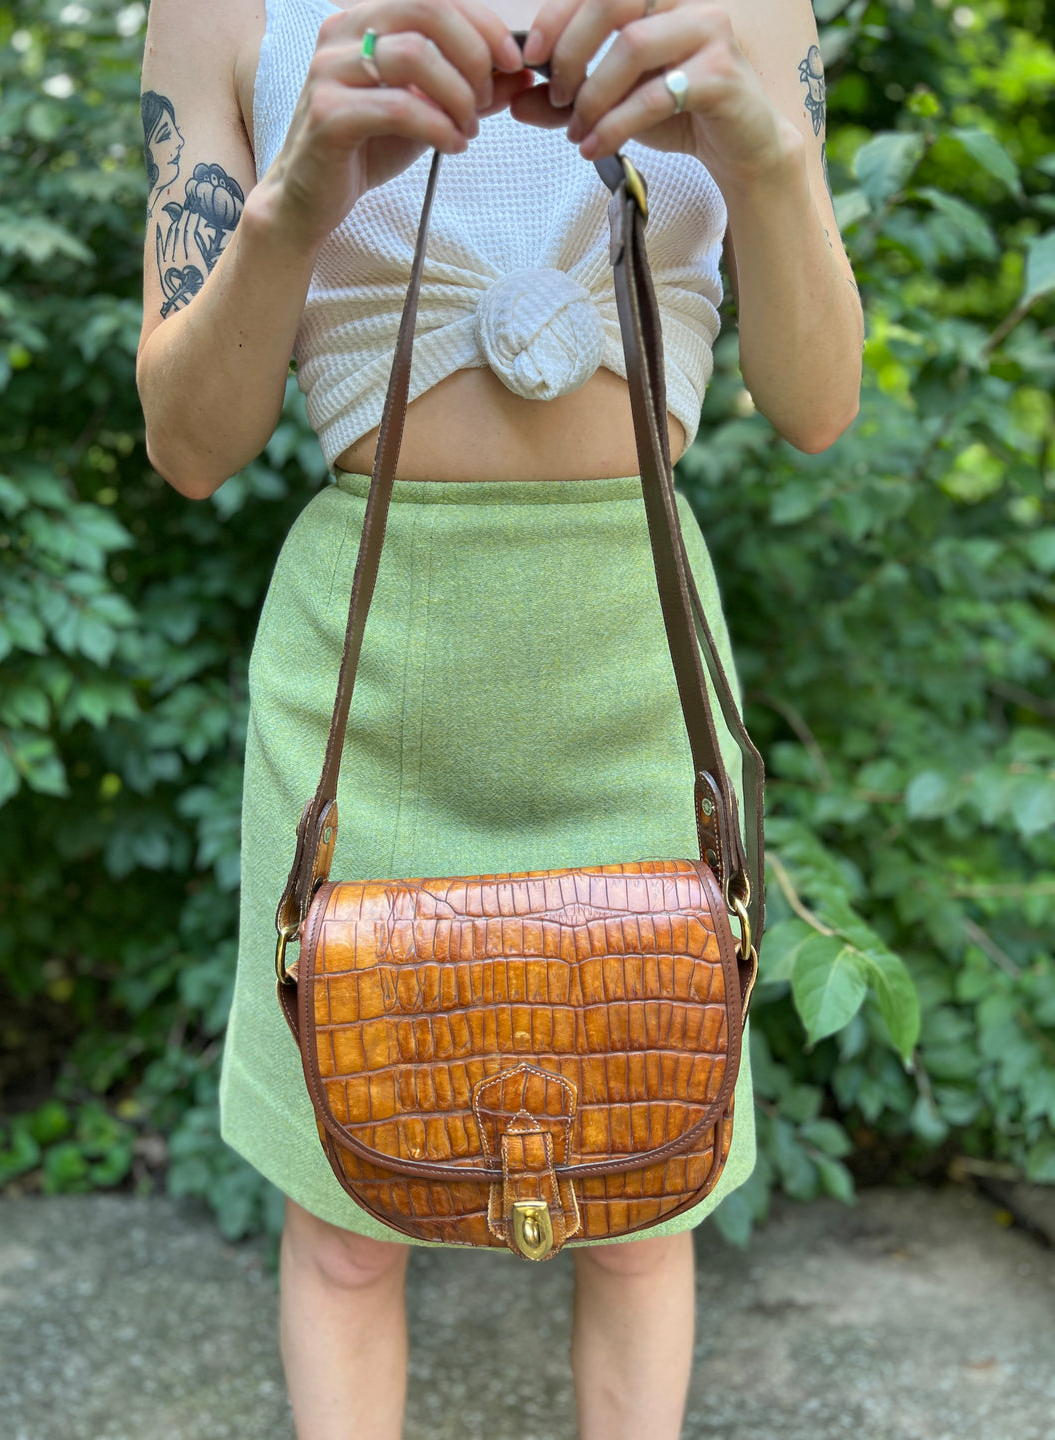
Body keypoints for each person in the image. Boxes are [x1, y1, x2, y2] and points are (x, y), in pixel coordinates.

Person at [136, 0, 863, 1436]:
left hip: (633, 637)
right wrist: (292, 199)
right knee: (346, 1223)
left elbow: (817, 400)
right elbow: (189, 444)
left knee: (644, 1194)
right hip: (371, 664)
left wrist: (768, 159)